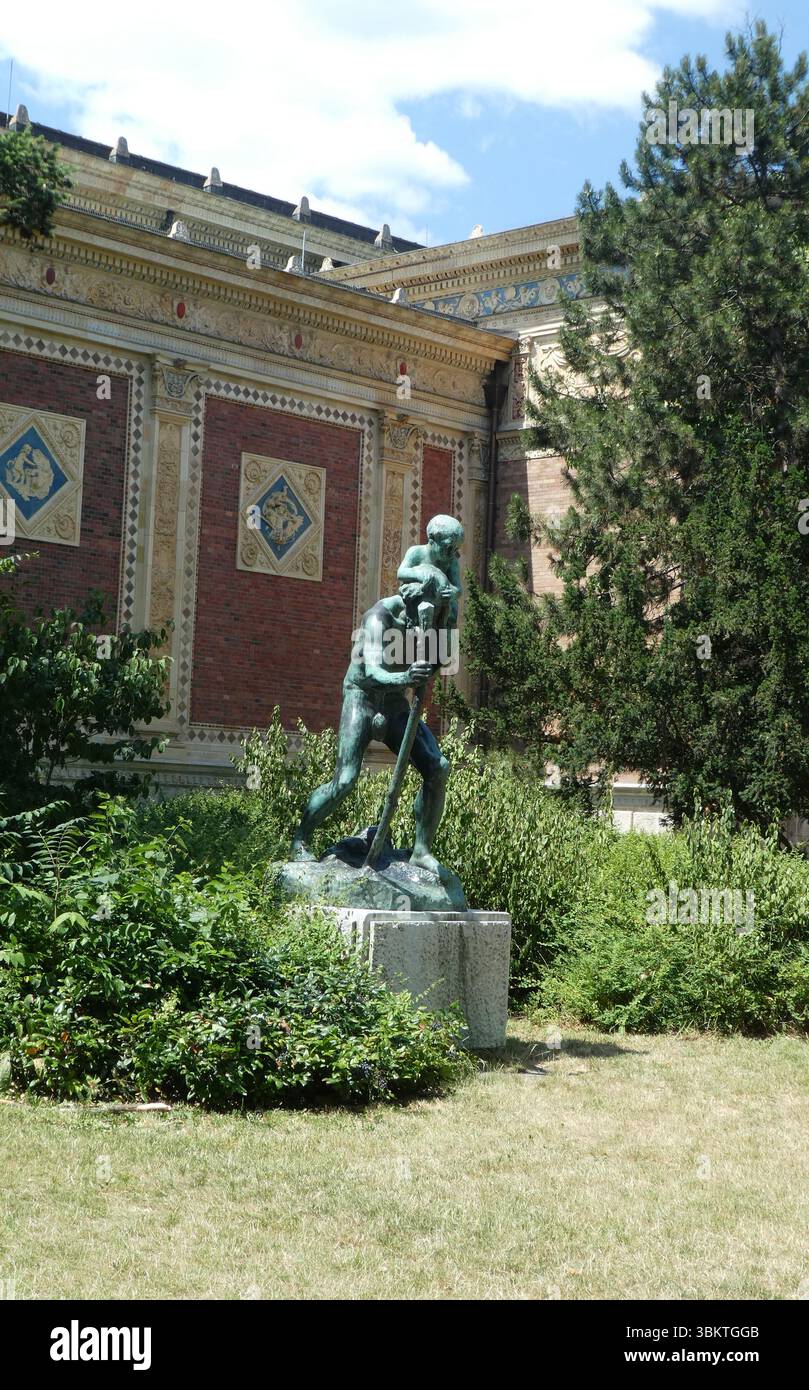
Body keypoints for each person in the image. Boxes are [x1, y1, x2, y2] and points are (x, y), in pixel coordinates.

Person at [290, 515, 465, 872]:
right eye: (424, 617)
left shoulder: (432, 619)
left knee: (438, 767)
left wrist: (444, 632)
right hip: (364, 698)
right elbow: (371, 672)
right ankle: (300, 837)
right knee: (346, 779)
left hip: (396, 705)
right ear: (411, 599)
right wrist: (407, 678)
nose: (424, 627)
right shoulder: (378, 618)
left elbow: (444, 659)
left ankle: (421, 850)